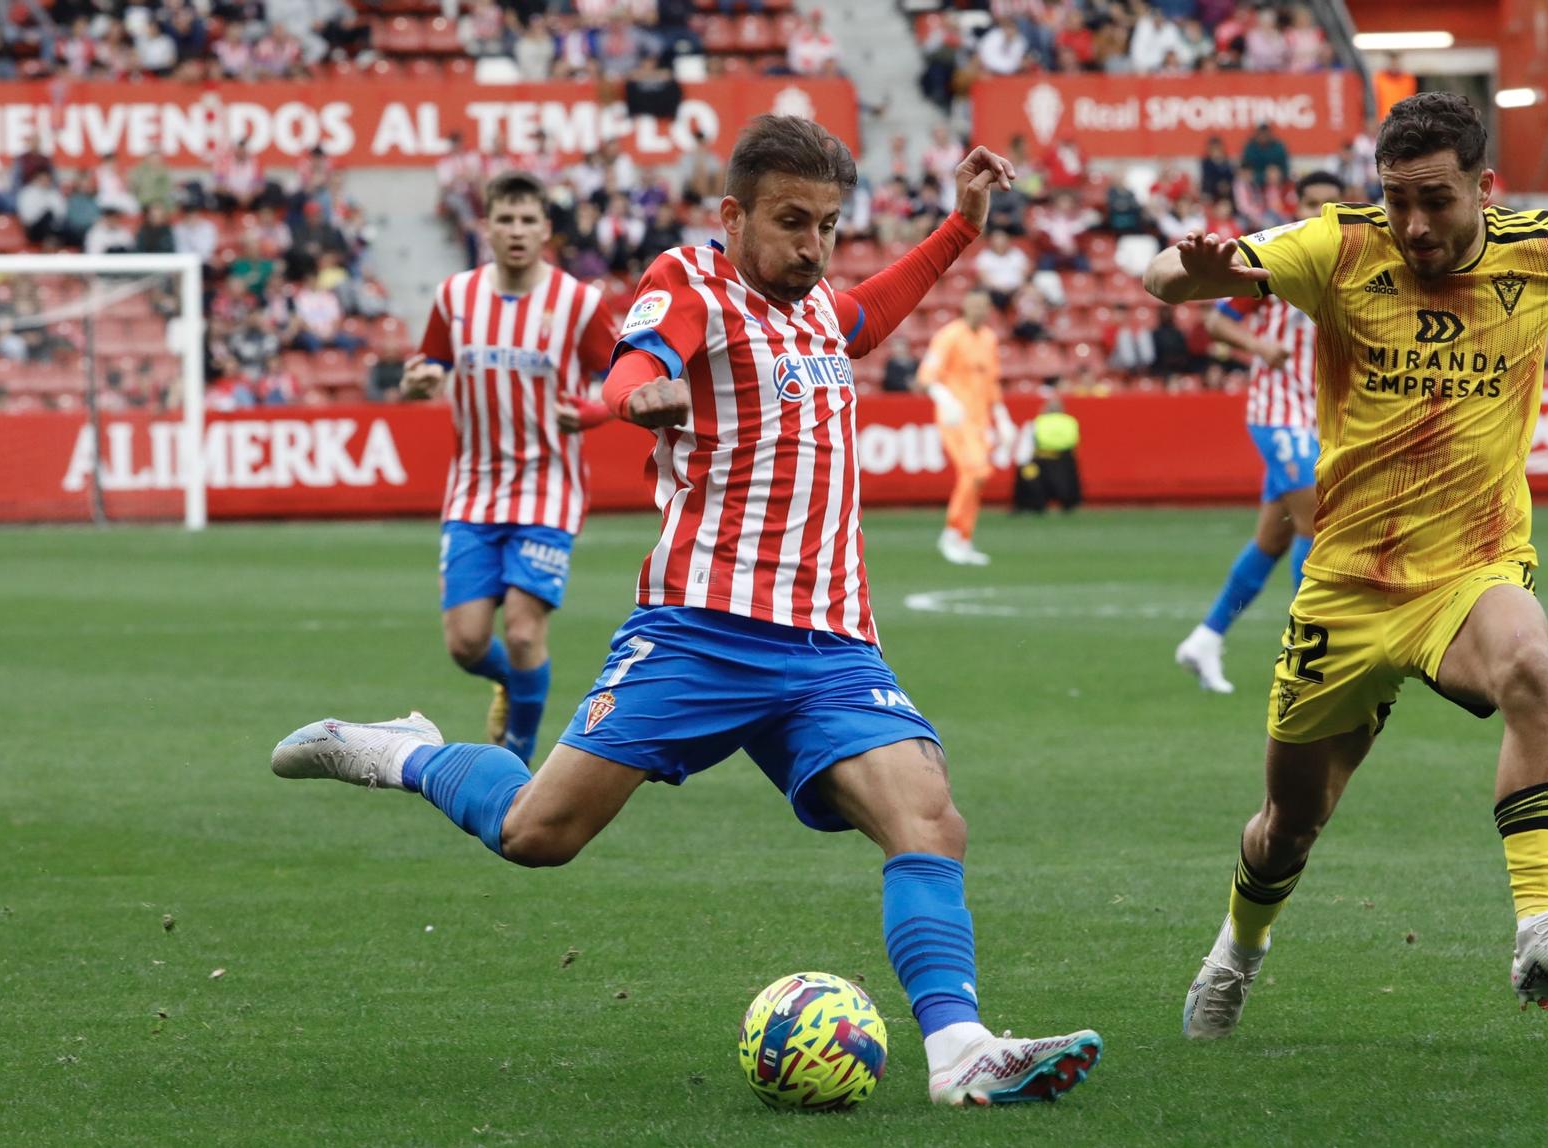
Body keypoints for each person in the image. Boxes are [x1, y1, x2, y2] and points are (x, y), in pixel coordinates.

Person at [269, 116, 1103, 1107]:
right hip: (700, 630)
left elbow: (865, 314)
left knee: (928, 819)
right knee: (540, 831)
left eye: (829, 225)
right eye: (791, 221)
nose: (812, 245)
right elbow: (638, 355)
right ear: (731, 214)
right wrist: (636, 395)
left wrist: (957, 229)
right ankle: (404, 750)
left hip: (831, 644)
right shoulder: (690, 281)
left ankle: (957, 1046)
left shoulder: (813, 308)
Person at [1145, 90, 1548, 1029]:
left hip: (1473, 567)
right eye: (1396, 197)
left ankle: (1540, 935)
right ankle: (1235, 955)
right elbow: (1163, 278)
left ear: (1483, 188)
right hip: (1348, 584)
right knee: (1293, 819)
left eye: (1436, 199)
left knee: (1529, 662)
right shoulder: (1339, 246)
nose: (1412, 222)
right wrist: (1193, 273)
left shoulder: (1543, 250)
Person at [394, 170, 620, 764]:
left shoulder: (577, 302)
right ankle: (509, 684)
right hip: (474, 488)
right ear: (485, 227)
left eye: (528, 220)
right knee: (467, 643)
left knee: (522, 631)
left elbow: (624, 379)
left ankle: (517, 759)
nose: (517, 231)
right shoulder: (456, 296)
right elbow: (431, 362)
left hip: (549, 488)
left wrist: (593, 414)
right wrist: (419, 379)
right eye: (506, 219)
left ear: (546, 229)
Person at [1174, 170, 1340, 695]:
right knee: (1319, 524)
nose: (1318, 213)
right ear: (1297, 203)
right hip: (1277, 412)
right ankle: (1311, 653)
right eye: (1310, 202)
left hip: (1315, 415)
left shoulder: (1346, 261)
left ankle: (1205, 638)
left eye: (1327, 204)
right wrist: (1261, 348)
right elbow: (1217, 321)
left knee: (1272, 539)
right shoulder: (1278, 257)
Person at [920, 289, 1014, 566]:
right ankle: (953, 533)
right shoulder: (949, 336)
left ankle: (962, 535)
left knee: (979, 476)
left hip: (979, 419)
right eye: (975, 306)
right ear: (965, 307)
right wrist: (945, 399)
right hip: (956, 417)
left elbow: (992, 382)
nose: (980, 311)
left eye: (984, 306)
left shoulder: (989, 339)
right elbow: (927, 375)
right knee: (974, 471)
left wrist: (1002, 417)